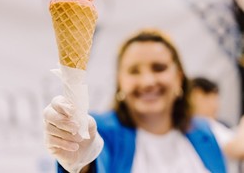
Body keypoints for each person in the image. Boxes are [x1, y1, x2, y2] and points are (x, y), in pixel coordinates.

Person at [44, 28, 232, 173]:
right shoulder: (99, 131)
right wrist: (80, 164)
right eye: (134, 71)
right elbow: (91, 161)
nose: (148, 82)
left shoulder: (204, 131)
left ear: (179, 78)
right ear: (120, 82)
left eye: (159, 68)